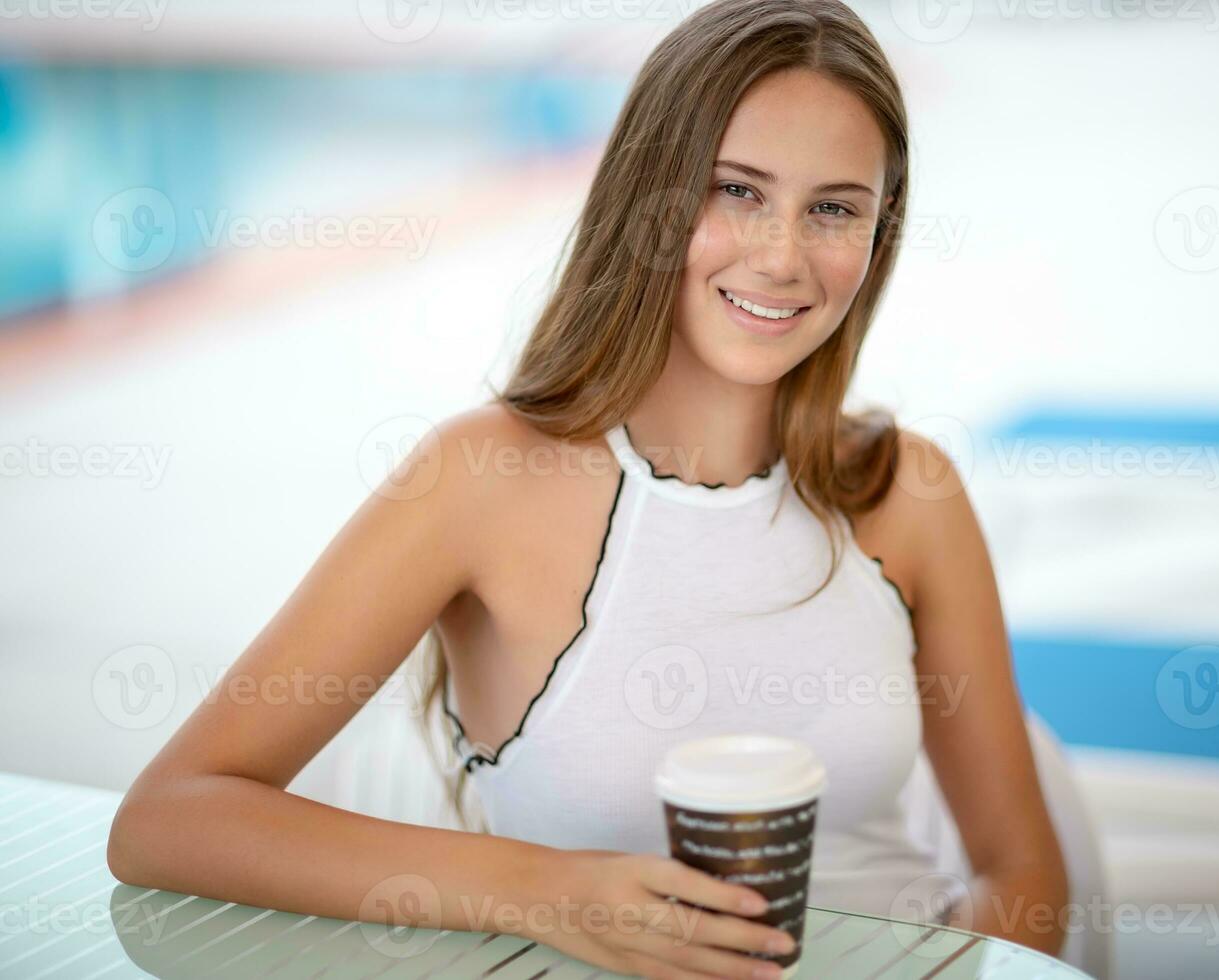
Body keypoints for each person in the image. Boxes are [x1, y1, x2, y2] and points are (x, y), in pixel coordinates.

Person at [106, 1, 1068, 976]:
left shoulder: (911, 492)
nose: (781, 255)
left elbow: (1021, 871)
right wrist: (545, 887)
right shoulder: (478, 481)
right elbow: (172, 815)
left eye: (833, 207)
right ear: (647, 198)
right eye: (737, 189)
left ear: (877, 231)